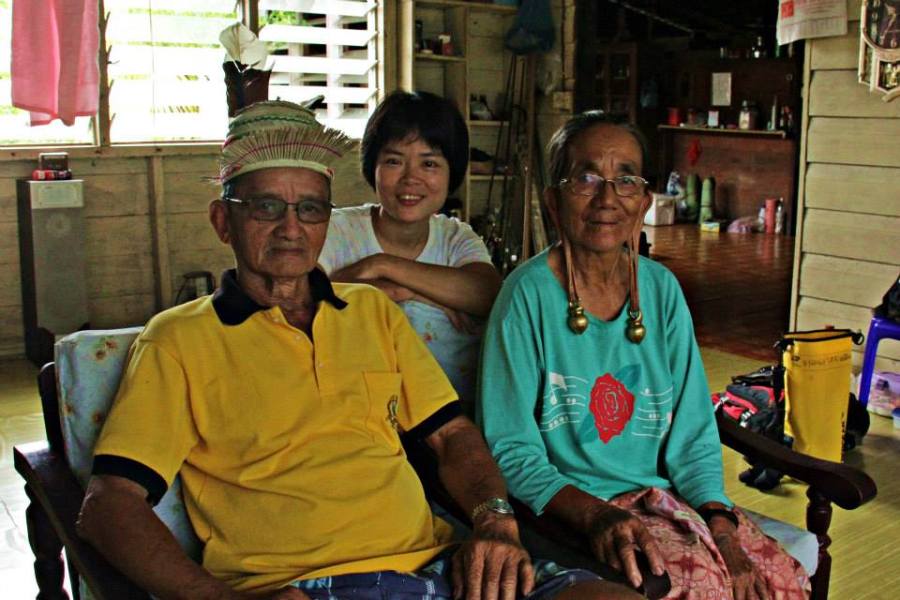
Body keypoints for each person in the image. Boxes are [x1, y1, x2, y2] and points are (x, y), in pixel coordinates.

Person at [76, 100, 638, 600]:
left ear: (328, 218)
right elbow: (110, 503)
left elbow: (452, 436)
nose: (291, 229)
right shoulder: (178, 339)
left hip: (444, 567)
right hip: (301, 586)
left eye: (311, 209)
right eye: (266, 208)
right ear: (224, 221)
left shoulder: (371, 313)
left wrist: (494, 523)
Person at [477, 111, 810, 600]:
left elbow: (693, 429)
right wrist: (595, 515)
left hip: (662, 502)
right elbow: (511, 449)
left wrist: (721, 524)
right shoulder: (525, 296)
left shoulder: (661, 290)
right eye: (586, 177)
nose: (607, 198)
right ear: (553, 200)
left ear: (645, 201)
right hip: (570, 512)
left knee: (774, 583)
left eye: (626, 179)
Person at [317, 91, 501, 412]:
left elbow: (486, 294)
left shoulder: (456, 237)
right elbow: (308, 299)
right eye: (394, 161)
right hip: (362, 411)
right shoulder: (337, 230)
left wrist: (385, 267)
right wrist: (427, 295)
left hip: (456, 410)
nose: (410, 179)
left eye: (429, 163)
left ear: (450, 174)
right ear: (372, 167)